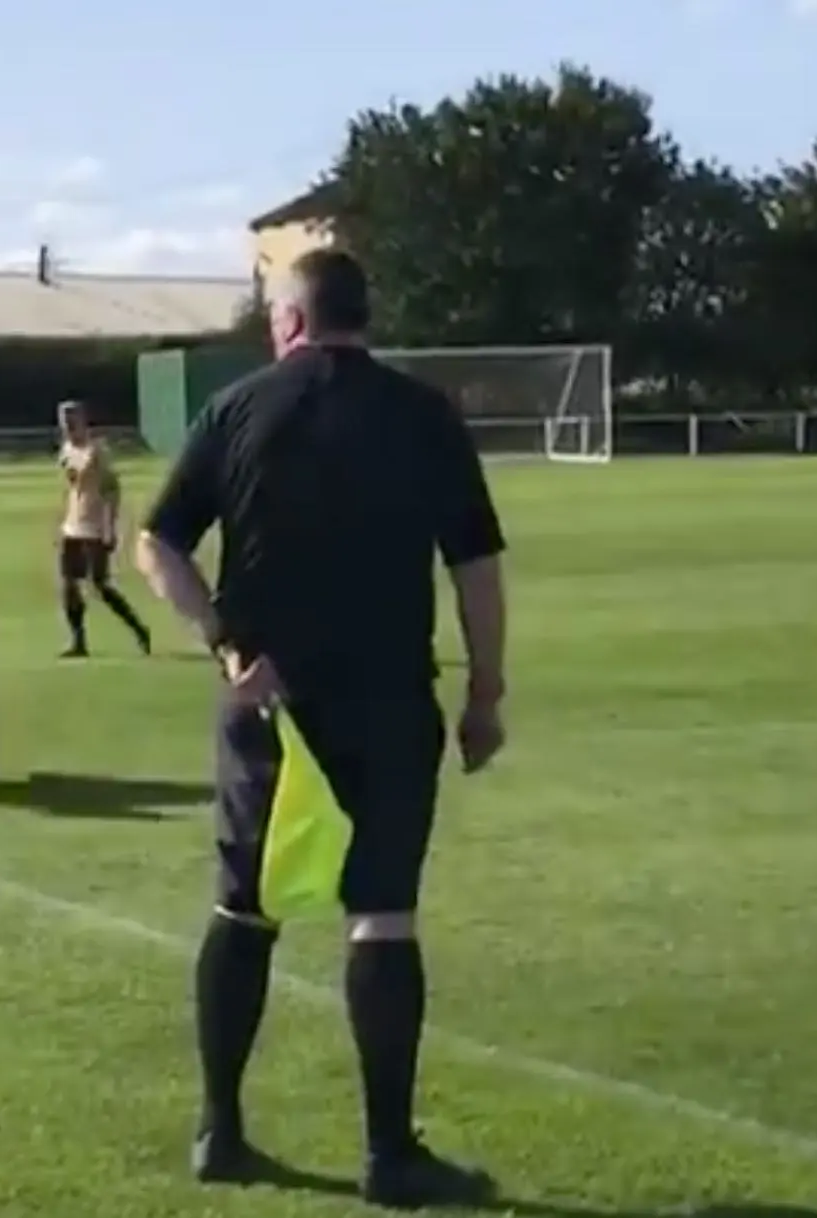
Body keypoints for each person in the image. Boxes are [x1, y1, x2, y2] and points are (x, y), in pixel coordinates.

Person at [132, 248, 509, 1208]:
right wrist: (486, 694)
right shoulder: (424, 416)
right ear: (361, 317)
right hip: (388, 697)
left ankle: (221, 1130)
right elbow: (475, 567)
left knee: (243, 904)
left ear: (290, 320)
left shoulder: (241, 408)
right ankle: (390, 1154)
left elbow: (156, 542)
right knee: (381, 910)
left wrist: (220, 637)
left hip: (268, 701)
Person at [53, 400, 150, 658]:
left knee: (100, 585)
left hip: (94, 526)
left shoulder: (96, 452)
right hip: (72, 525)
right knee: (68, 583)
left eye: (71, 420)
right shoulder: (66, 451)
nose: (67, 425)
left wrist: (110, 527)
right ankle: (78, 641)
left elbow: (112, 489)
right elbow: (74, 487)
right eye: (64, 421)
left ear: (83, 420)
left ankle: (139, 630)